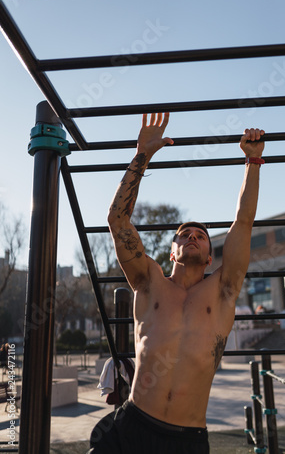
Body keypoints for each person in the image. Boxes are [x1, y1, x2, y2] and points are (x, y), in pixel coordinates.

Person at [89, 112, 265, 454]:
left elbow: (243, 222)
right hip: (131, 426)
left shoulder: (224, 289)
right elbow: (117, 218)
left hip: (186, 439)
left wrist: (253, 161)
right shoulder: (149, 282)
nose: (193, 237)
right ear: (172, 252)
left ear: (212, 256)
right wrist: (143, 153)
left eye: (201, 236)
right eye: (184, 235)